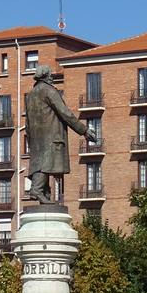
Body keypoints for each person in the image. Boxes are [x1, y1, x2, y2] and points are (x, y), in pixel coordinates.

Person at [25, 64, 98, 204]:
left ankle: (44, 193)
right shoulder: (49, 91)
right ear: (46, 76)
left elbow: (27, 121)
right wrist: (84, 130)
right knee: (45, 163)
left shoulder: (31, 94)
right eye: (50, 74)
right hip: (50, 135)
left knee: (40, 162)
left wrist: (30, 139)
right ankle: (36, 189)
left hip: (35, 136)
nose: (52, 77)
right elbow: (64, 112)